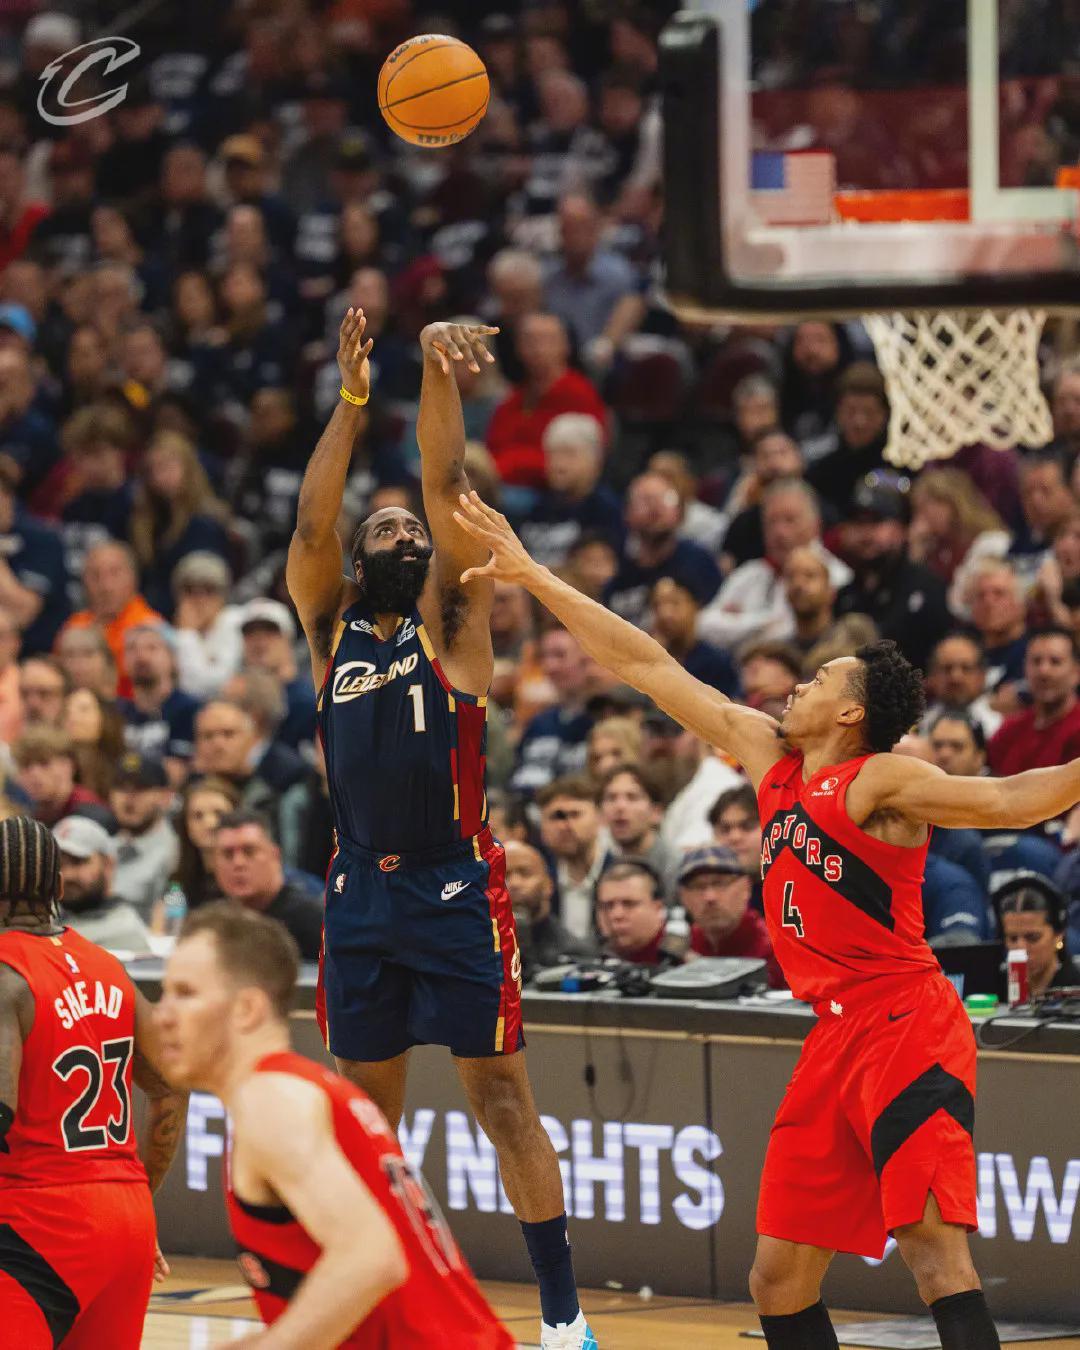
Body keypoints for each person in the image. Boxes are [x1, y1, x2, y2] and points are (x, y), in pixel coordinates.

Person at [452, 490, 1080, 1349]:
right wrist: (535, 577)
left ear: (852, 713)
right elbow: (646, 666)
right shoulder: (769, 758)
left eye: (819, 680)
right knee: (777, 1280)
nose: (798, 684)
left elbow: (1007, 800)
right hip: (830, 1036)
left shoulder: (879, 780)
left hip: (906, 1025)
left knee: (933, 1252)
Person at [286, 311, 594, 1348]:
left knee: (503, 1102)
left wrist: (430, 366)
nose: (405, 535)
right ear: (360, 557)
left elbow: (447, 479)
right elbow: (311, 529)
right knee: (369, 1124)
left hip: (456, 883)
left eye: (411, 533)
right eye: (385, 530)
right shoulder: (327, 628)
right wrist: (352, 398)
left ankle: (562, 1320)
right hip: (360, 892)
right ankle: (378, 1306)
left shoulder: (455, 624)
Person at [154, 903, 514, 1348]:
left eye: (185, 994)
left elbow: (370, 1257)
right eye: (164, 993)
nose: (162, 1014)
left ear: (247, 1009)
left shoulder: (271, 1101)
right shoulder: (311, 1091)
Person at [0, 815, 186, 1349]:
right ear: (58, 888)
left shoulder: (6, 974)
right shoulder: (108, 966)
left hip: (35, 1221)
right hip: (126, 1223)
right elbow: (171, 1085)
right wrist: (135, 1196)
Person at [210, 809, 323, 961]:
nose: (238, 863)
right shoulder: (214, 921)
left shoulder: (313, 922)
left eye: (249, 851)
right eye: (227, 854)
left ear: (275, 856)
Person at [60, 542, 162, 701]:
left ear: (133, 578)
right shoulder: (74, 626)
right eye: (95, 576)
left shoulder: (152, 628)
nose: (105, 586)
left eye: (115, 574)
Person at [678, 845, 782, 984]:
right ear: (683, 897)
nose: (710, 897)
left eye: (720, 884)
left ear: (746, 888)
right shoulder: (683, 947)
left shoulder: (776, 950)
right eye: (698, 886)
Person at [53, 815, 153, 956]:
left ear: (108, 865)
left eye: (78, 862)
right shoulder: (45, 919)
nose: (67, 874)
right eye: (58, 864)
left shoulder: (125, 932)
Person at [988, 627, 1080, 776]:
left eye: (1055, 662)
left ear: (1076, 672)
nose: (1044, 671)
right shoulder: (1009, 731)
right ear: (1025, 669)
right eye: (1036, 661)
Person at [118, 622, 200, 784]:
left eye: (152, 648)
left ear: (172, 658)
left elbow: (178, 772)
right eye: (132, 649)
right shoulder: (117, 712)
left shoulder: (190, 710)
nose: (141, 656)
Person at [505, 839, 596, 982]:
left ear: (548, 885)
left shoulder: (575, 955)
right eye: (503, 875)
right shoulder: (477, 952)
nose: (514, 883)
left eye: (525, 873)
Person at [109, 752, 179, 922]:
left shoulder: (176, 854)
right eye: (121, 788)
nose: (128, 798)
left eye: (141, 788)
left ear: (166, 797)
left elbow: (172, 923)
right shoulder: (106, 846)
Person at [598, 764, 678, 899]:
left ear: (656, 812)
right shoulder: (604, 868)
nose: (620, 807)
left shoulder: (675, 870)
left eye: (632, 797)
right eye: (611, 798)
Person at [995, 874, 1080, 994]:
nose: (1021, 948)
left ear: (1058, 935)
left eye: (1033, 938)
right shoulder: (992, 989)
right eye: (1013, 938)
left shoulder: (1076, 988)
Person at [12, 726, 107, 829]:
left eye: (44, 763)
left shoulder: (90, 814)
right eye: (26, 766)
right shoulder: (36, 815)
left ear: (67, 765)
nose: (34, 774)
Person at [172, 776, 241, 912]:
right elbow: (168, 920)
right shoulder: (177, 883)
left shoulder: (246, 877)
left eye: (219, 814)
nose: (210, 823)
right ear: (186, 826)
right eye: (198, 816)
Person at [594, 859, 680, 967]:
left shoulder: (687, 958)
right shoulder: (594, 963)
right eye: (607, 906)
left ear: (658, 909)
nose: (616, 915)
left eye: (629, 904)